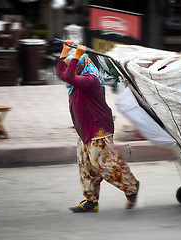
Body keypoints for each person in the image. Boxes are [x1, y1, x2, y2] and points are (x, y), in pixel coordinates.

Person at [56, 40, 139, 213]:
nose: (70, 67)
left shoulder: (90, 79)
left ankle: (132, 187)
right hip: (84, 128)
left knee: (103, 165)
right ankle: (91, 201)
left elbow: (69, 75)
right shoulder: (76, 79)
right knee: (85, 165)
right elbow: (62, 74)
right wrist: (65, 52)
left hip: (98, 127)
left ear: (82, 64)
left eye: (74, 64)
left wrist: (76, 55)